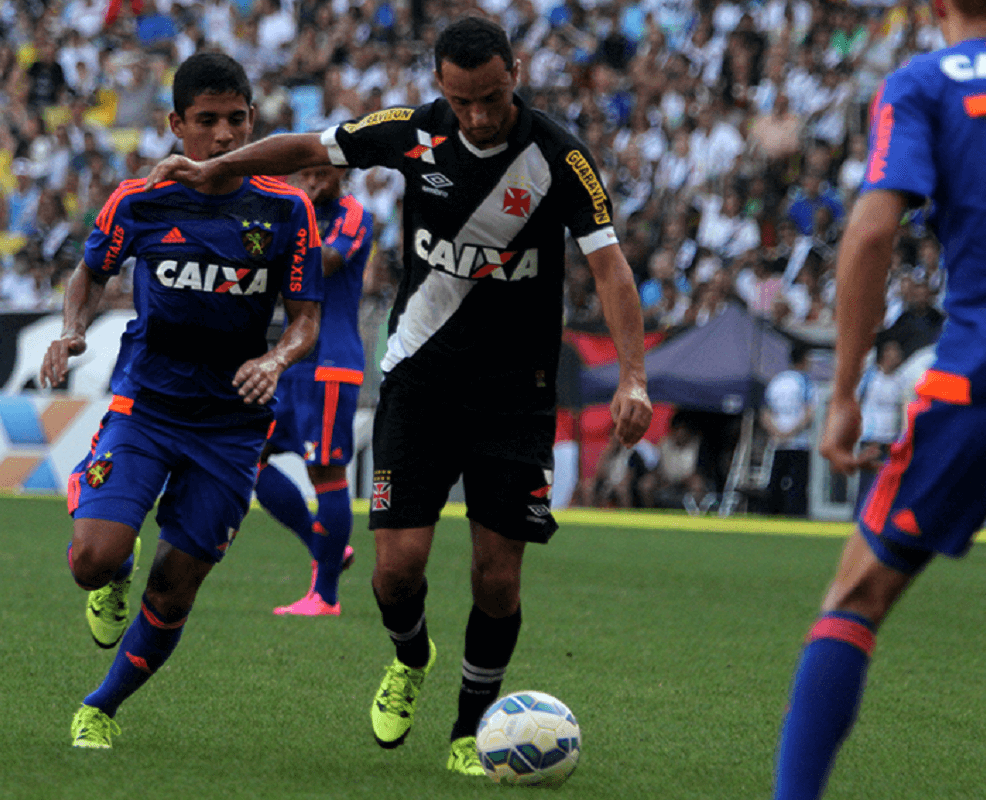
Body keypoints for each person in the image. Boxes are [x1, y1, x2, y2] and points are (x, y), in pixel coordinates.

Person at [145, 16, 653, 776]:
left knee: (497, 573)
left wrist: (635, 376)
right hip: (420, 377)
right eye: (462, 99)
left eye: (491, 97)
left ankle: (471, 727)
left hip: (516, 393)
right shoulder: (412, 132)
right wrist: (224, 169)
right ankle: (411, 657)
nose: (477, 115)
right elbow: (309, 147)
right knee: (395, 571)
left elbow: (610, 269)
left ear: (514, 74)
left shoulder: (559, 156)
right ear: (441, 87)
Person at [38, 52, 323, 750]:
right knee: (93, 561)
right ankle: (115, 563)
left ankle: (100, 707)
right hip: (149, 405)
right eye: (206, 121)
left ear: (254, 121)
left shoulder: (287, 209)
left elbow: (306, 320)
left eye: (235, 120)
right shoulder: (139, 199)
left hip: (231, 426)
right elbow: (88, 274)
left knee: (176, 589)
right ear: (177, 124)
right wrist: (71, 331)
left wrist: (276, 357)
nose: (223, 135)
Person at [772, 2, 986, 797]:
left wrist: (844, 392)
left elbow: (871, 235)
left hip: (985, 370)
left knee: (856, 595)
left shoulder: (922, 83)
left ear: (938, 5)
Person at [255, 163, 373, 616]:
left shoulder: (353, 213)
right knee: (251, 458)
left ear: (340, 172)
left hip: (331, 362)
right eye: (304, 175)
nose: (312, 182)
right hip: (293, 360)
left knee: (325, 471)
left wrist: (279, 242)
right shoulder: (293, 213)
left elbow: (327, 261)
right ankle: (325, 548)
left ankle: (325, 596)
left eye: (321, 173)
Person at [852, 337, 906, 517]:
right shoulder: (870, 377)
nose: (898, 355)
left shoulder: (900, 379)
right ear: (884, 355)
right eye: (894, 351)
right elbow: (857, 402)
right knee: (867, 484)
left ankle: (882, 520)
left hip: (890, 439)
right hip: (871, 437)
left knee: (888, 484)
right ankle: (859, 519)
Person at [760, 343, 815, 517]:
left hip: (778, 441)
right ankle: (794, 515)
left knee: (775, 480)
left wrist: (776, 432)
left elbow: (764, 412)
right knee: (797, 483)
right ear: (804, 361)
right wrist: (791, 432)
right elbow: (809, 413)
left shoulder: (777, 381)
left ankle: (771, 514)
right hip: (798, 442)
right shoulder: (805, 382)